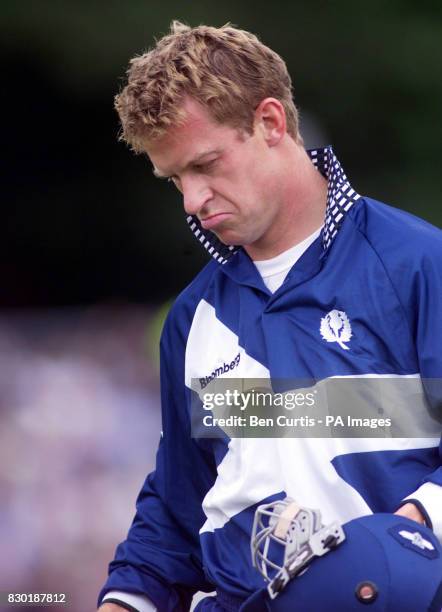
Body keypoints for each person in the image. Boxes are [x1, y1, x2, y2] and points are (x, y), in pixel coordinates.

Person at [98, 21, 442, 612]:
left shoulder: (420, 265)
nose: (192, 200)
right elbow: (176, 515)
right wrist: (123, 602)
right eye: (175, 179)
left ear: (271, 123)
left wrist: (400, 543)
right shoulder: (191, 318)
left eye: (205, 165)